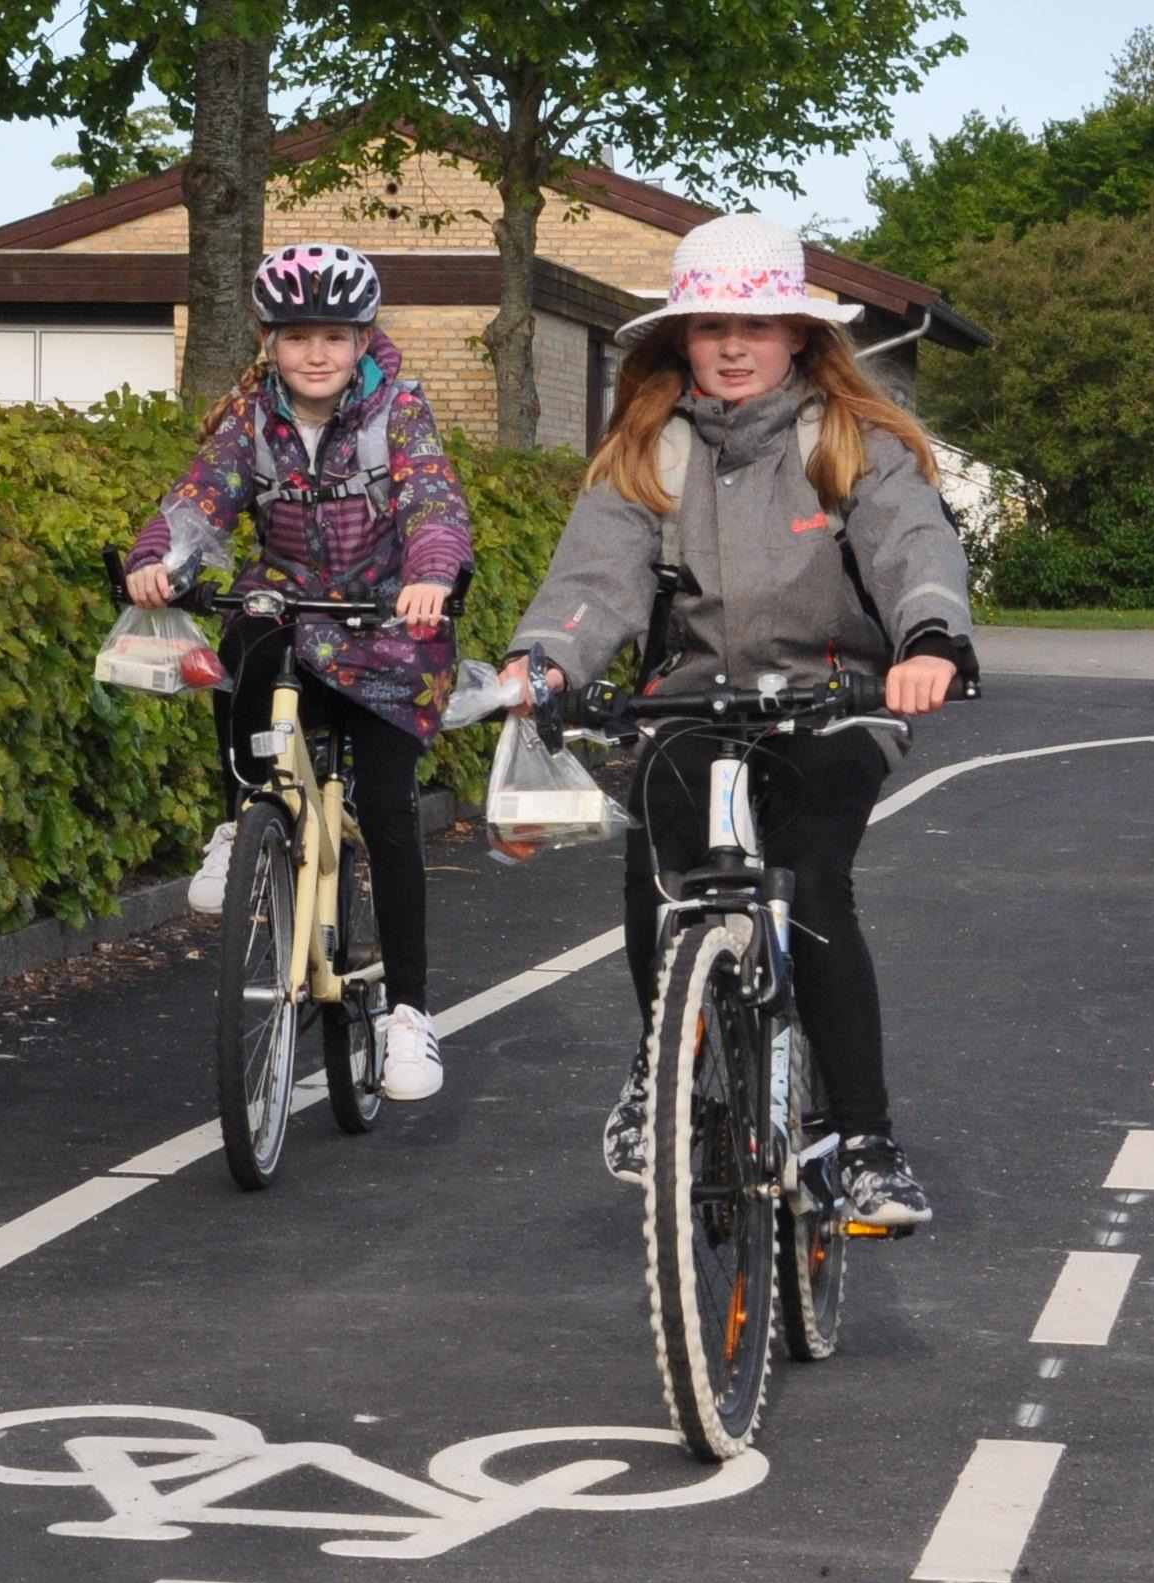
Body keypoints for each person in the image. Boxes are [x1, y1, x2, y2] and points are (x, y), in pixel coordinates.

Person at [495, 213, 978, 1226]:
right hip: (693, 695)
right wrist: (546, 659)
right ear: (681, 337)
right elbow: (595, 580)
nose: (729, 346)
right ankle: (661, 1057)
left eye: (754, 327)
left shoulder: (850, 439)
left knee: (809, 884)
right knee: (659, 862)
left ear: (798, 336)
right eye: (709, 326)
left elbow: (911, 547)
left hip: (833, 694)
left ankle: (865, 1144)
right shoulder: (649, 449)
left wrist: (930, 640)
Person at [125, 243, 469, 1103]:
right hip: (293, 617)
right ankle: (244, 817)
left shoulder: (401, 412)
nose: (316, 353)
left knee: (388, 808)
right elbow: (203, 500)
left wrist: (430, 575)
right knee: (241, 643)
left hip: (391, 631)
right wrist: (160, 557)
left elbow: (433, 501)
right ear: (269, 342)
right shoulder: (250, 422)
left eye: (335, 336)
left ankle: (409, 1017)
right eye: (296, 336)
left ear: (362, 340)